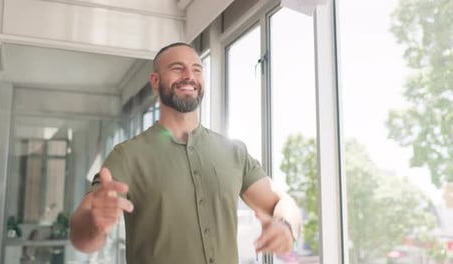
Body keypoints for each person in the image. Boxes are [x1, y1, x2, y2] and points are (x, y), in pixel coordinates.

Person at [69, 42, 302, 264]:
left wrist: (286, 226)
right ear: (155, 80)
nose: (189, 76)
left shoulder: (235, 152)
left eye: (196, 69)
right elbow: (82, 239)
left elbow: (283, 203)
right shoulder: (127, 155)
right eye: (177, 68)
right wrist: (95, 224)